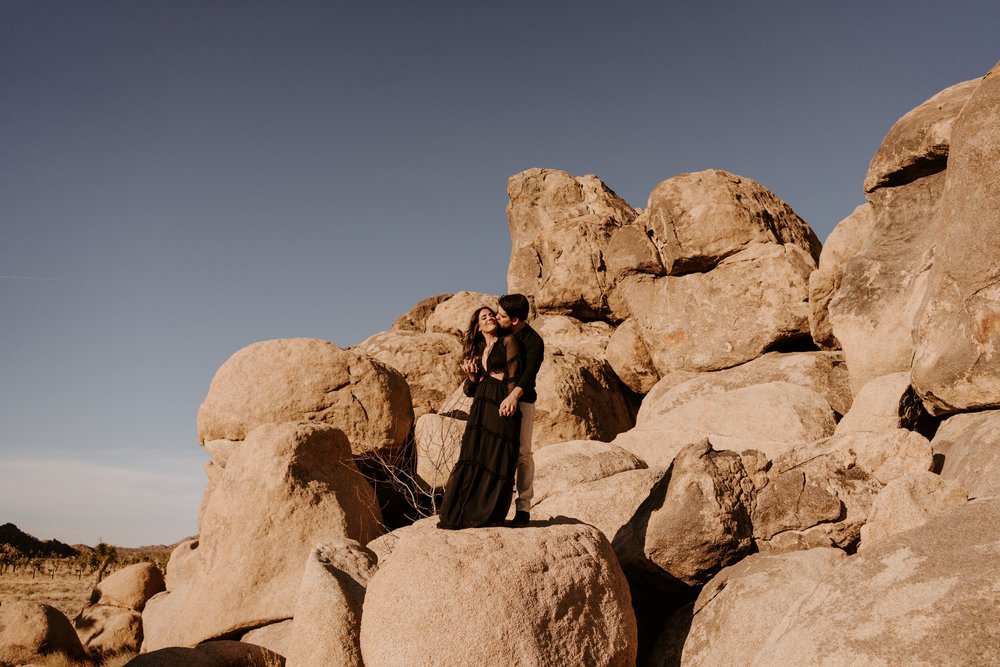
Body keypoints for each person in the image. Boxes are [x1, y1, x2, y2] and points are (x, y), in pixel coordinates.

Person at [438, 306, 522, 529]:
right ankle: (466, 513)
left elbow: (514, 372)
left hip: (501, 400)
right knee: (476, 453)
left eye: (491, 315)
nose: (489, 318)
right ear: (477, 326)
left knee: (497, 454)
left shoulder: (508, 341)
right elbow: (469, 390)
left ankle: (489, 513)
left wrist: (511, 398)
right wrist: (473, 376)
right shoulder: (479, 350)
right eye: (483, 317)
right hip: (481, 404)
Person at [495, 293, 543, 528]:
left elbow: (529, 375)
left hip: (522, 402)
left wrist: (513, 396)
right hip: (496, 401)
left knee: (523, 453)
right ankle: (493, 507)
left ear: (514, 320)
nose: (496, 317)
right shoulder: (500, 333)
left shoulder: (534, 341)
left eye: (501, 315)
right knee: (497, 452)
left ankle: (523, 509)